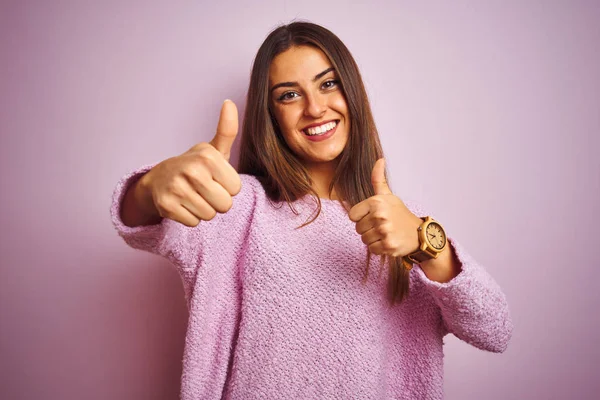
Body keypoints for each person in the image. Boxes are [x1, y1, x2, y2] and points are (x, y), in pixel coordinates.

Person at [110, 21, 512, 400]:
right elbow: (147, 222)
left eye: (328, 84)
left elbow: (494, 330)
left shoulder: (402, 223)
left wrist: (427, 244)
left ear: (352, 93)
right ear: (272, 118)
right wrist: (149, 188)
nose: (315, 108)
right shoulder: (240, 206)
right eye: (289, 94)